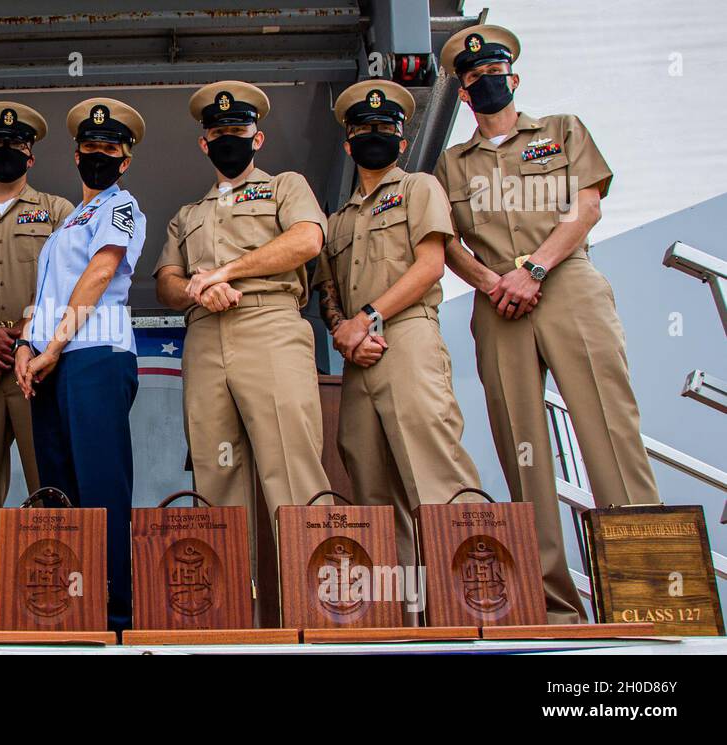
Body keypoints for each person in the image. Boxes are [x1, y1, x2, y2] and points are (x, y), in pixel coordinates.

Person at [434, 24, 661, 623]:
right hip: (498, 303)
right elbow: (443, 240)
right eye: (475, 77)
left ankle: (644, 597)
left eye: (497, 72)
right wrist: (492, 283)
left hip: (566, 285)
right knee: (523, 451)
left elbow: (587, 205)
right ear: (462, 92)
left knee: (610, 433)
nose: (488, 83)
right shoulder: (449, 165)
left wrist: (532, 268)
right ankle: (552, 607)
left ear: (516, 77)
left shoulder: (561, 131)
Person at [315, 79, 483, 581]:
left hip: (407, 336)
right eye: (363, 130)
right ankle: (400, 611)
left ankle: (472, 599)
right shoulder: (336, 220)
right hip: (358, 355)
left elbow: (431, 265)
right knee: (371, 488)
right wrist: (345, 330)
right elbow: (329, 295)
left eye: (384, 129)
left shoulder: (419, 188)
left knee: (433, 473)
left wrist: (365, 320)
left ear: (402, 141)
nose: (374, 136)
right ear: (348, 144)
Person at [154, 81, 331, 543]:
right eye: (218, 132)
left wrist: (225, 273)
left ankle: (320, 608)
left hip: (269, 325)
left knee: (293, 471)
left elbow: (307, 239)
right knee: (216, 478)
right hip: (205, 336)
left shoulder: (285, 186)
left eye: (238, 129)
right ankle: (229, 612)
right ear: (204, 143)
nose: (227, 139)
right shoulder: (187, 214)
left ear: (257, 138)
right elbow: (166, 282)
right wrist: (198, 289)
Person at [15, 97, 145, 632]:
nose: (99, 155)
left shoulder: (121, 205)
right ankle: (68, 611)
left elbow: (99, 274)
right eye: (90, 147)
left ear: (125, 159)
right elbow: (47, 295)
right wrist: (27, 345)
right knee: (60, 493)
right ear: (75, 156)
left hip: (95, 354)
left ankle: (114, 615)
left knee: (101, 489)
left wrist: (50, 347)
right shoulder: (69, 220)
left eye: (109, 148)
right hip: (55, 364)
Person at [0, 101, 75, 630]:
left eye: (17, 146)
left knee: (51, 491)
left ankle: (53, 611)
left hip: (39, 372)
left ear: (31, 154)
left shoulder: (57, 210)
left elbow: (73, 283)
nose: (7, 153)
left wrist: (25, 338)